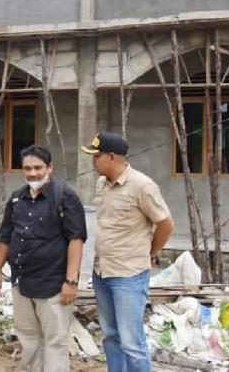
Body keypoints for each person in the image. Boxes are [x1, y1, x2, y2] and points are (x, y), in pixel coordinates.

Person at [81, 132, 174, 372]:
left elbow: (165, 224)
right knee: (111, 335)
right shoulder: (102, 184)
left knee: (132, 342)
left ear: (112, 157)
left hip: (129, 276)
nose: (93, 161)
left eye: (97, 156)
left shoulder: (142, 185)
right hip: (102, 272)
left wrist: (151, 251)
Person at [0, 145, 87, 372]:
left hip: (53, 284)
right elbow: (5, 236)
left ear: (49, 168)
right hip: (22, 283)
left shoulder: (65, 197)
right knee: (28, 340)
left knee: (54, 342)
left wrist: (71, 281)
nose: (32, 173)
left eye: (38, 168)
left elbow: (76, 239)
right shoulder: (17, 199)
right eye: (27, 168)